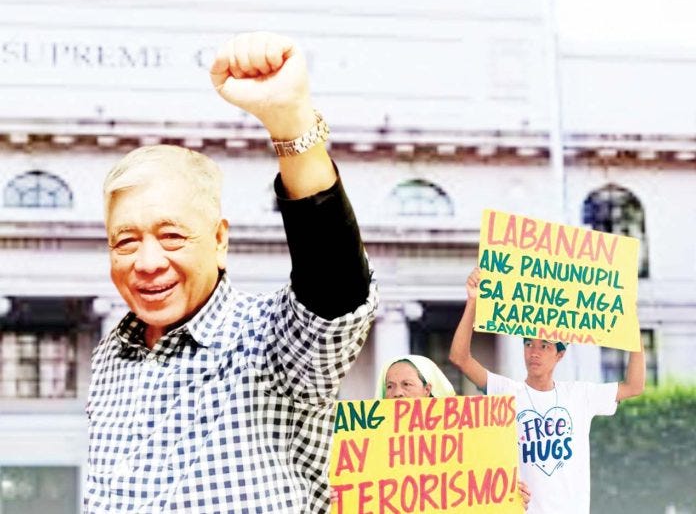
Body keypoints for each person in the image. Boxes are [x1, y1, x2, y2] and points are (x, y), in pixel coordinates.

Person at [85, 32, 378, 514]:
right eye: (126, 241)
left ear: (220, 240)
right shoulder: (108, 359)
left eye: (173, 236)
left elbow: (335, 289)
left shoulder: (272, 341)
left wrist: (290, 123)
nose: (148, 262)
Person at [449, 267, 646, 514]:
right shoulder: (507, 392)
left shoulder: (579, 395)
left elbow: (634, 386)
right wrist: (473, 301)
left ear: (560, 355)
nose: (534, 352)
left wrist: (633, 326)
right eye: (528, 344)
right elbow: (459, 358)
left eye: (545, 346)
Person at [332, 355, 532, 509]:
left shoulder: (463, 438)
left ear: (427, 389)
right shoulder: (363, 445)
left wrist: (511, 496)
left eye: (406, 384)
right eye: (390, 386)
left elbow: (482, 490)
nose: (397, 393)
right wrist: (332, 496)